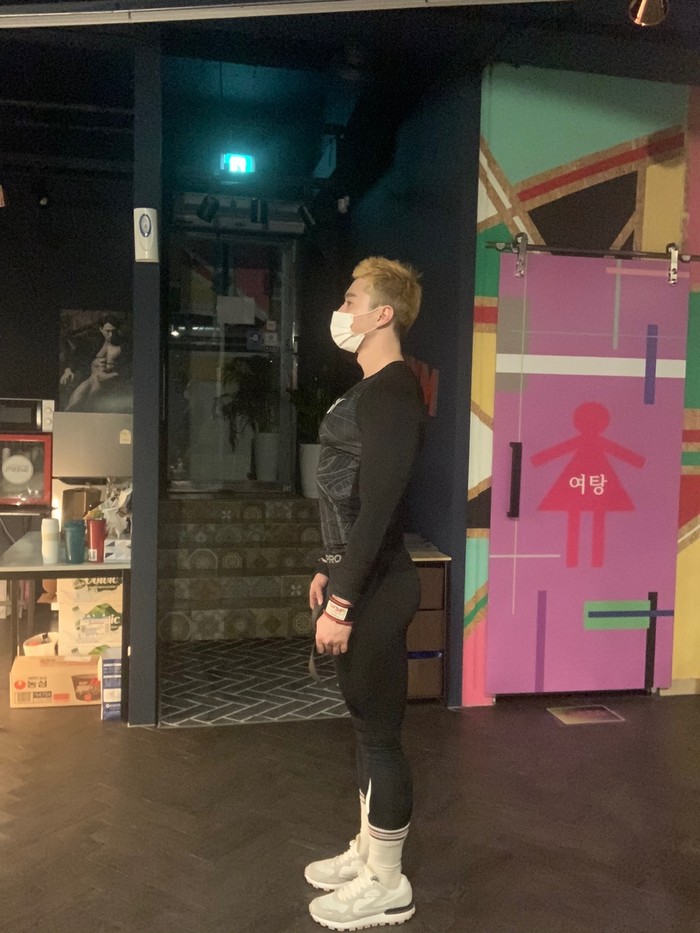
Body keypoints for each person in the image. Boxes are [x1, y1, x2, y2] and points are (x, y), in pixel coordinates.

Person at [305, 257, 426, 930]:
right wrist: (330, 567)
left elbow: (378, 508)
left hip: (379, 590)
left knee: (381, 736)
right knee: (364, 727)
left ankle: (388, 882)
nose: (342, 310)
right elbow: (346, 497)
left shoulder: (395, 391)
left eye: (352, 299)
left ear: (383, 313)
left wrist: (344, 601)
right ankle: (367, 852)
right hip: (359, 580)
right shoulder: (370, 390)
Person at [60, 314, 130, 412]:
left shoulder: (123, 345)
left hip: (106, 380)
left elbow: (128, 368)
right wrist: (68, 370)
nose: (110, 334)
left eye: (113, 331)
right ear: (101, 329)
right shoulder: (93, 341)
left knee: (88, 406)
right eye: (107, 331)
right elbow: (77, 354)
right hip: (91, 377)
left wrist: (111, 376)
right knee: (72, 406)